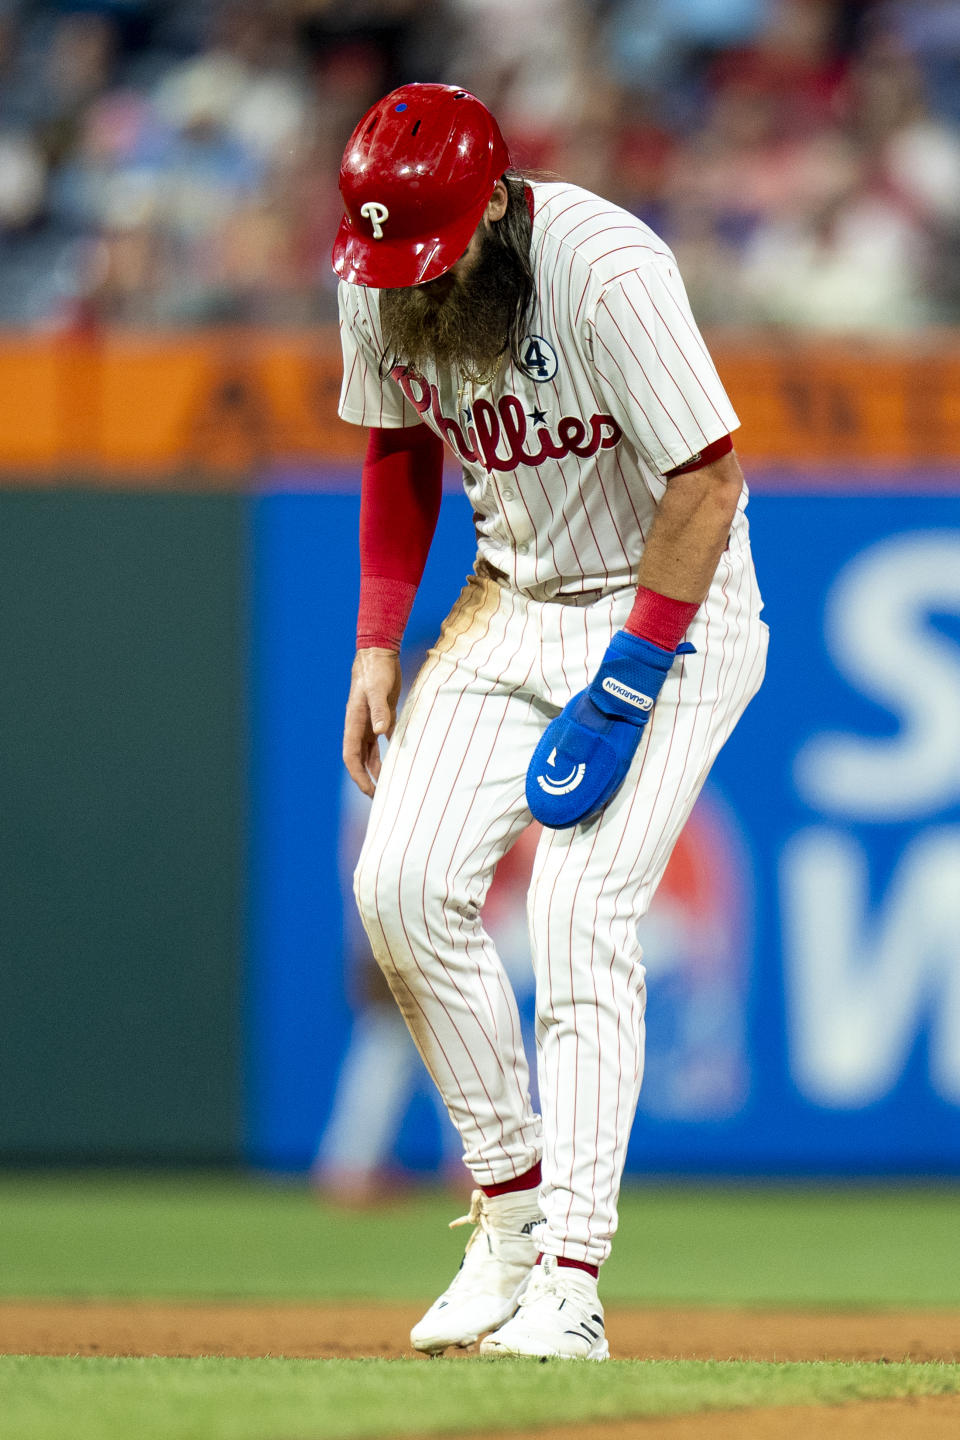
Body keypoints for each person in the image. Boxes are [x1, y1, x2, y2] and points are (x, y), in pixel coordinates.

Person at [331, 82, 767, 1360]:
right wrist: (374, 639)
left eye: (430, 243)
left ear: (496, 203)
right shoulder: (376, 268)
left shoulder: (607, 267)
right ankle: (510, 1223)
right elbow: (398, 448)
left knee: (582, 912)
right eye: (386, 251)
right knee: (400, 889)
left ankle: (570, 1281)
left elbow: (710, 479)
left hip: (672, 605)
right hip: (508, 594)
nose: (405, 274)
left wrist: (629, 680)